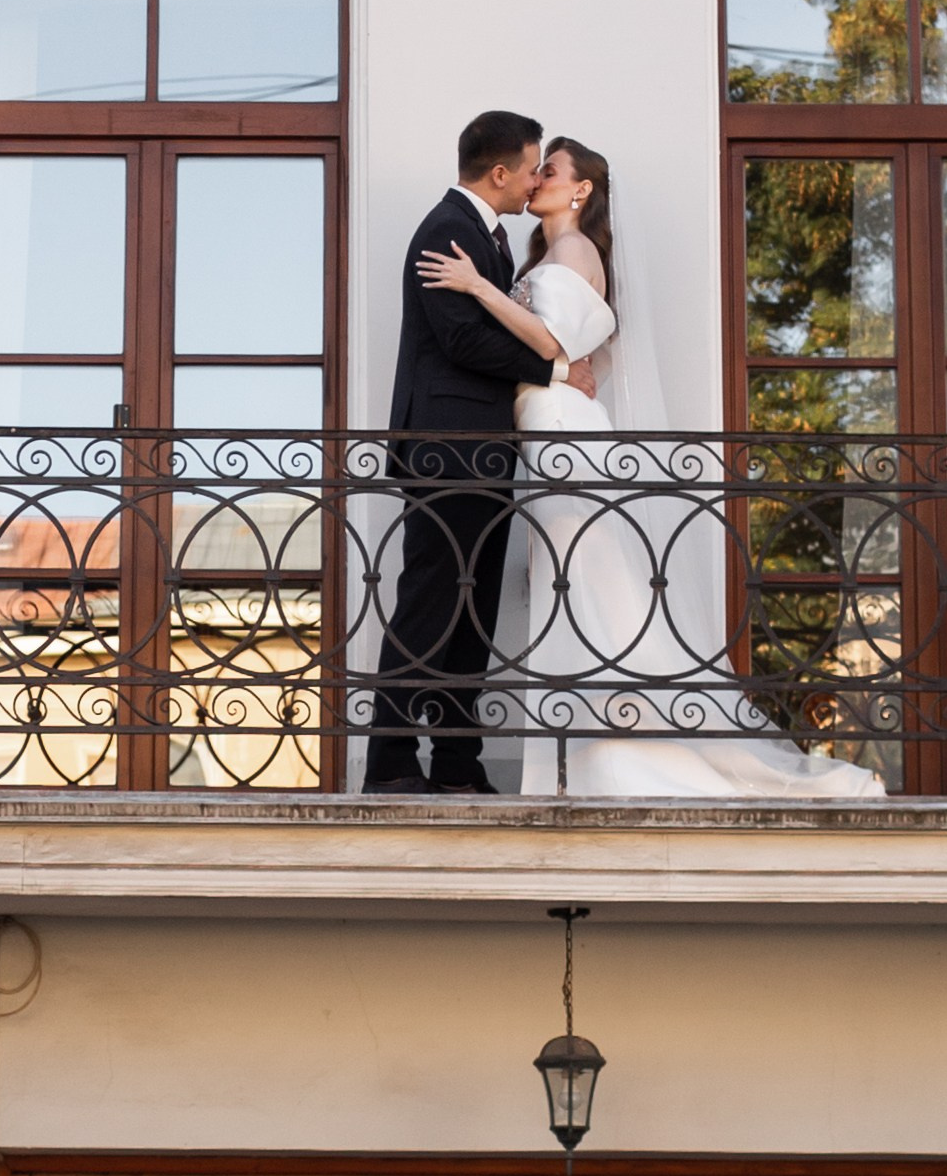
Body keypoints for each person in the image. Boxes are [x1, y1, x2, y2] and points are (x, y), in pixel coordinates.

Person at [417, 139, 886, 800]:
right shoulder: (547, 256)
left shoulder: (576, 249)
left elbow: (551, 343)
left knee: (594, 587)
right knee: (575, 590)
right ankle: (587, 761)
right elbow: (588, 353)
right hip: (546, 432)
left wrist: (474, 287)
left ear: (579, 190)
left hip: (563, 436)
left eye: (550, 170)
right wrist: (563, 362)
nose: (536, 179)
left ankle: (629, 750)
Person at [366, 111, 559, 793]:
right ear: (500, 172)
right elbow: (459, 340)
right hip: (445, 446)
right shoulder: (447, 228)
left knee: (468, 605)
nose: (537, 177)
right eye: (533, 165)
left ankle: (455, 761)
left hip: (479, 447)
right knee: (429, 598)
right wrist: (553, 371)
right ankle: (389, 762)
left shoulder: (487, 236)